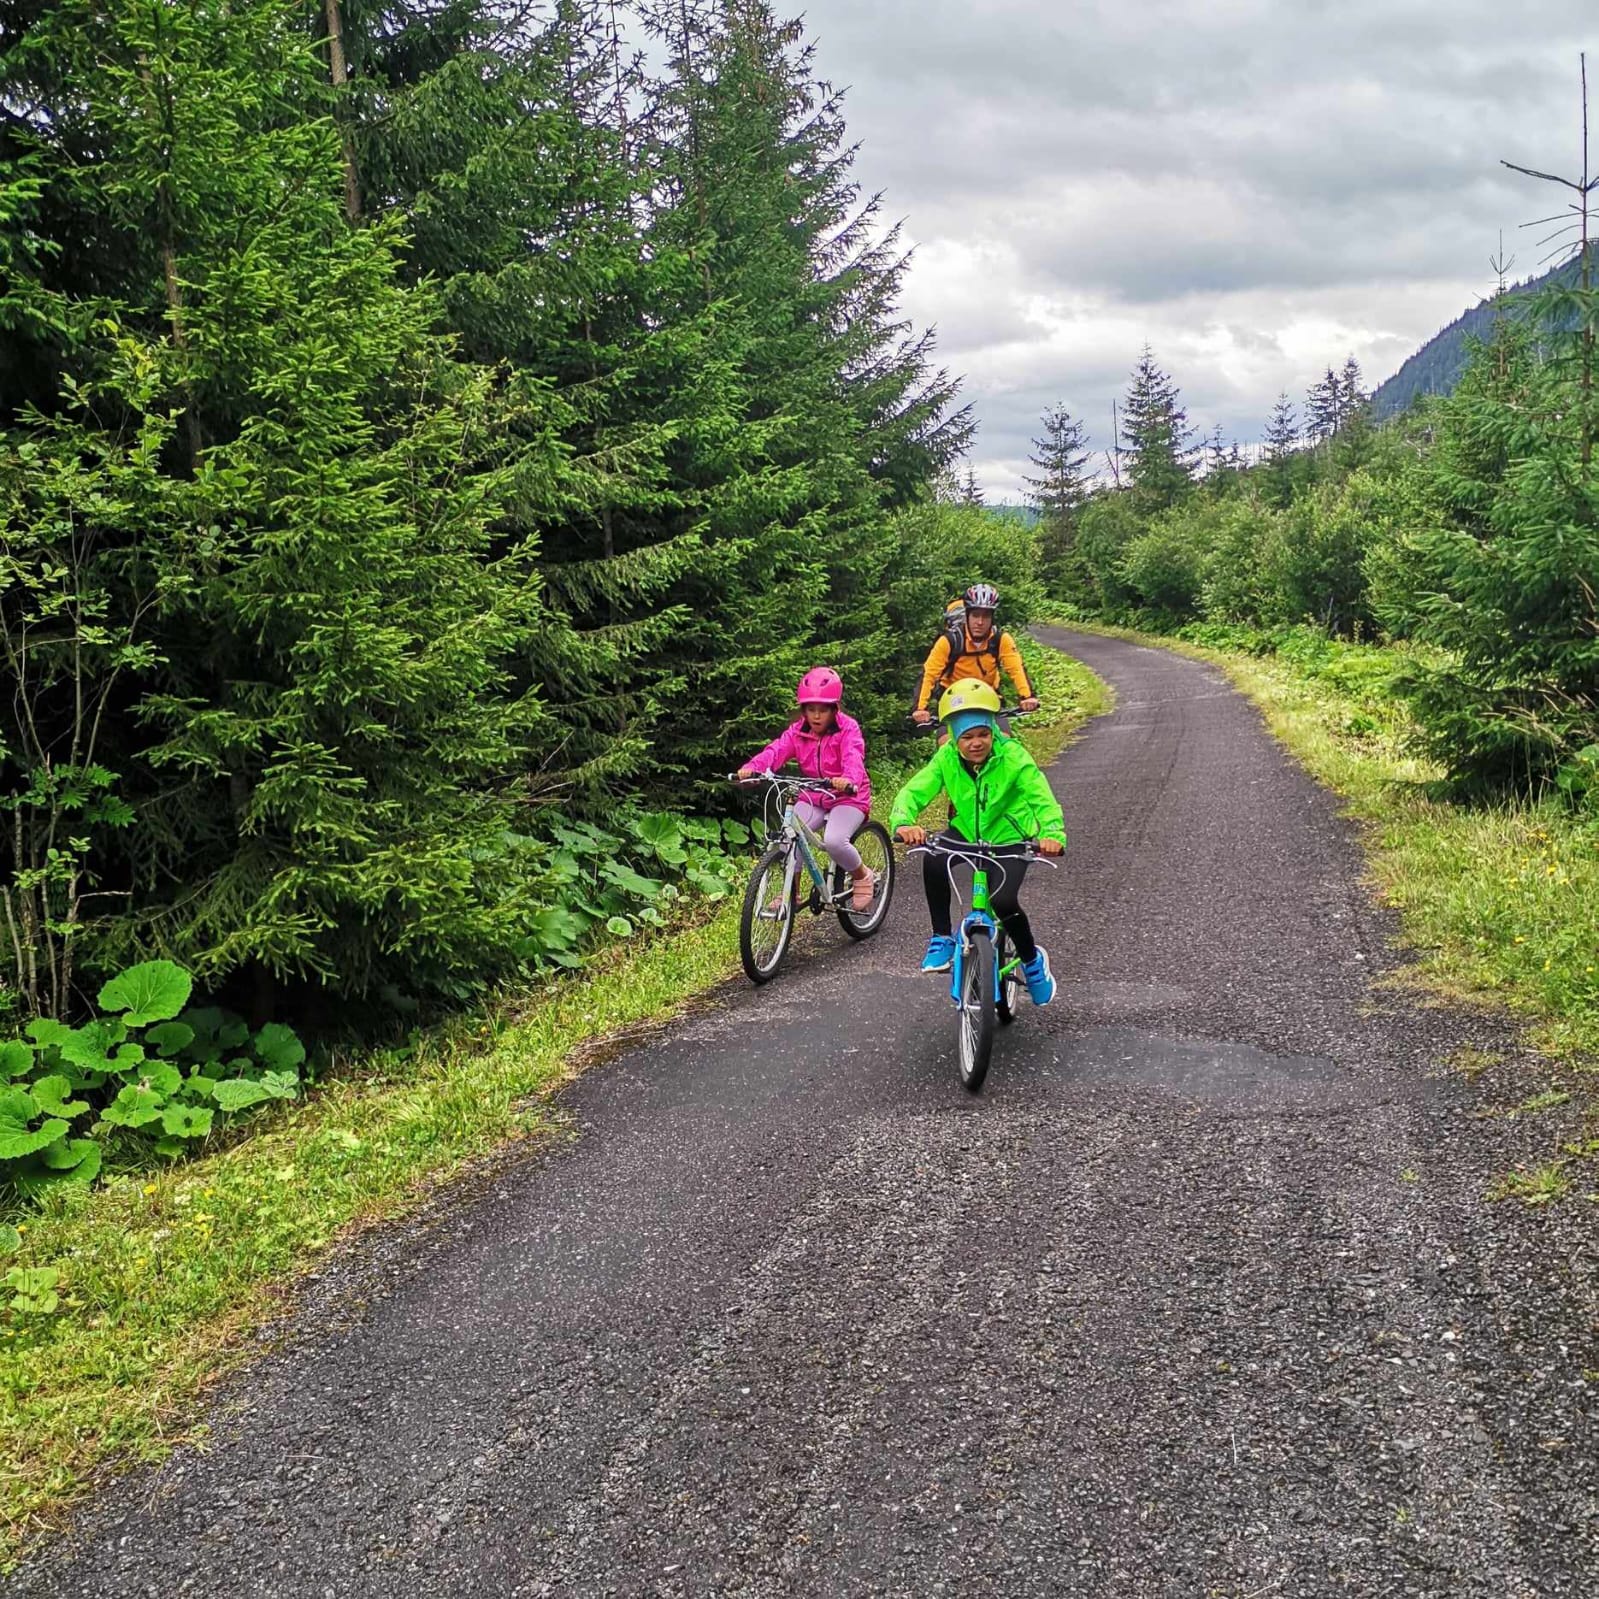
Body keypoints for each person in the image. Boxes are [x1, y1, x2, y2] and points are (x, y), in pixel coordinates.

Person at [889, 679, 1065, 1004]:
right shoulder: (945, 759)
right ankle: (941, 937)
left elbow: (1041, 796)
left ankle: (1032, 962)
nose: (976, 743)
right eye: (967, 737)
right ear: (954, 738)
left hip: (1010, 837)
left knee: (1004, 901)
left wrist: (1052, 833)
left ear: (993, 730)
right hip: (967, 834)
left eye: (983, 734)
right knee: (934, 857)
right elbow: (915, 790)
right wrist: (903, 821)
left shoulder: (1012, 756)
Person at [738, 667, 876, 911]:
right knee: (787, 837)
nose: (816, 716)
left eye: (822, 710)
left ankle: (861, 875)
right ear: (803, 710)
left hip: (847, 796)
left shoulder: (848, 728)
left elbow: (854, 756)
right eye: (810, 709)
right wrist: (753, 769)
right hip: (814, 793)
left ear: (835, 709)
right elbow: (776, 751)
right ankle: (791, 893)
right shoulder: (798, 731)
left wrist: (848, 779)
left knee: (834, 841)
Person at [911, 582, 1040, 727]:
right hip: (954, 704)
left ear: (992, 618)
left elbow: (1016, 669)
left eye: (986, 616)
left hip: (988, 701)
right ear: (967, 615)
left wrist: (1028, 697)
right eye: (975, 615)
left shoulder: (1000, 639)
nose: (980, 622)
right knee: (946, 743)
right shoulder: (950, 641)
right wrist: (920, 708)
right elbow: (929, 674)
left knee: (1004, 740)